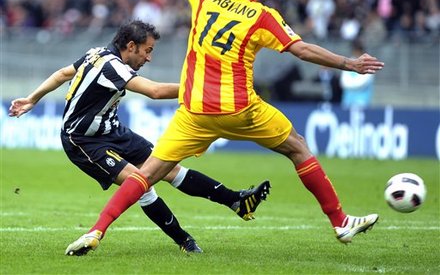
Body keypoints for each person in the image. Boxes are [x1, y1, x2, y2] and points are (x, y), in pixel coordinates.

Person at [66, 0, 385, 255]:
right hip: (241, 110)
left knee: (147, 174)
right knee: (297, 147)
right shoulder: (262, 16)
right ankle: (340, 222)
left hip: (193, 111)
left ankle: (97, 230)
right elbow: (300, 50)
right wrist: (350, 63)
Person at [8, 20, 271, 255]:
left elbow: (64, 73)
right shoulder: (114, 68)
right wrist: (205, 90)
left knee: (170, 169)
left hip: (113, 131)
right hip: (83, 141)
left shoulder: (96, 53)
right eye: (147, 50)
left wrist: (32, 99)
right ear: (131, 46)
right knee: (141, 182)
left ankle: (236, 201)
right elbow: (155, 91)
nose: (149, 57)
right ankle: (184, 240)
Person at [340, 41, 375, 108]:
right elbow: (343, 82)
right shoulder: (349, 62)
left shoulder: (368, 63)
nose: (356, 53)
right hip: (347, 100)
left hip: (362, 101)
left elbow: (361, 83)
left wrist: (350, 84)